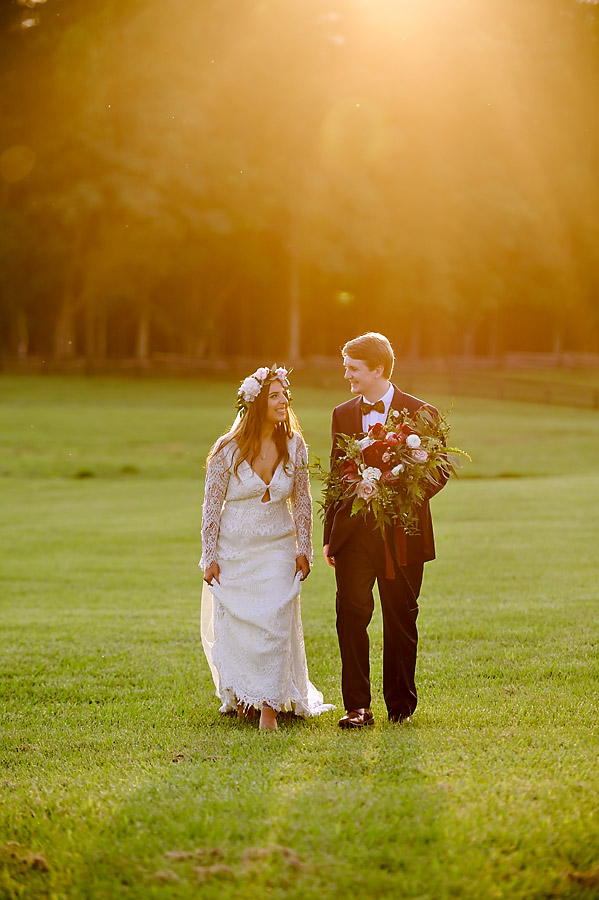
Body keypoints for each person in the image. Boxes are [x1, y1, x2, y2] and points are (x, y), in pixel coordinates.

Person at [323, 332, 448, 729]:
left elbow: (439, 471)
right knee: (350, 614)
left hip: (404, 535)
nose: (348, 376)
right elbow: (335, 477)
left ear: (378, 369)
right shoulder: (341, 414)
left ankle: (400, 706)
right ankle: (357, 706)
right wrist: (329, 534)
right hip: (354, 535)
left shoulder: (422, 413)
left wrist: (395, 490)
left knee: (400, 618)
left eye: (353, 369)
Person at [200, 365, 333, 731]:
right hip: (235, 549)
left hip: (277, 545)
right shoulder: (226, 449)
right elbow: (212, 505)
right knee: (240, 625)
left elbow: (303, 502)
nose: (283, 400)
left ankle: (270, 708)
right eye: (274, 395)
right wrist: (208, 556)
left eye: (284, 394)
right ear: (256, 402)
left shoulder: (294, 445)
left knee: (274, 620)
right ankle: (246, 695)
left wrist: (303, 548)